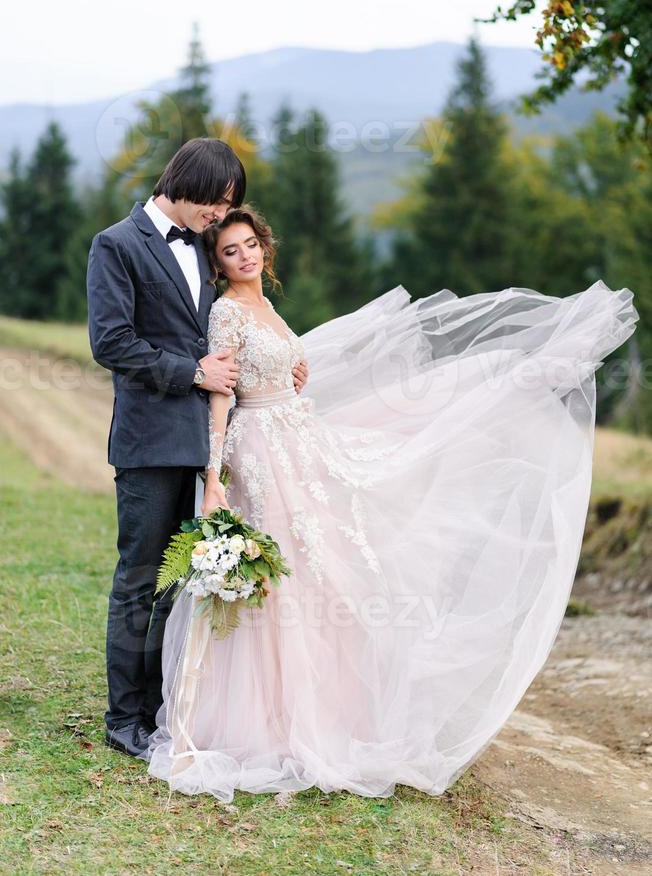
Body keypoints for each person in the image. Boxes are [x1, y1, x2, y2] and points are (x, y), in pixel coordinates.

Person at [145, 203, 638, 801]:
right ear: (218, 264)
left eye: (251, 245)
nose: (245, 255)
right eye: (231, 250)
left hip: (299, 438)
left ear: (263, 248)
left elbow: (274, 367)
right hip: (261, 452)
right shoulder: (225, 313)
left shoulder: (265, 306)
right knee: (283, 577)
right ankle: (264, 725)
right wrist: (215, 473)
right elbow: (223, 392)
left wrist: (293, 374)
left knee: (323, 569)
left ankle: (333, 715)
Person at [86, 138, 310, 758]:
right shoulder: (117, 244)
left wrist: (279, 369)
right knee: (142, 579)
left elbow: (236, 329)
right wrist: (192, 372)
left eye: (228, 205)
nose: (220, 215)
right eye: (216, 202)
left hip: (219, 444)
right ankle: (123, 716)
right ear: (185, 184)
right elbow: (111, 342)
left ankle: (169, 703)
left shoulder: (208, 255)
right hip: (151, 442)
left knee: (188, 580)